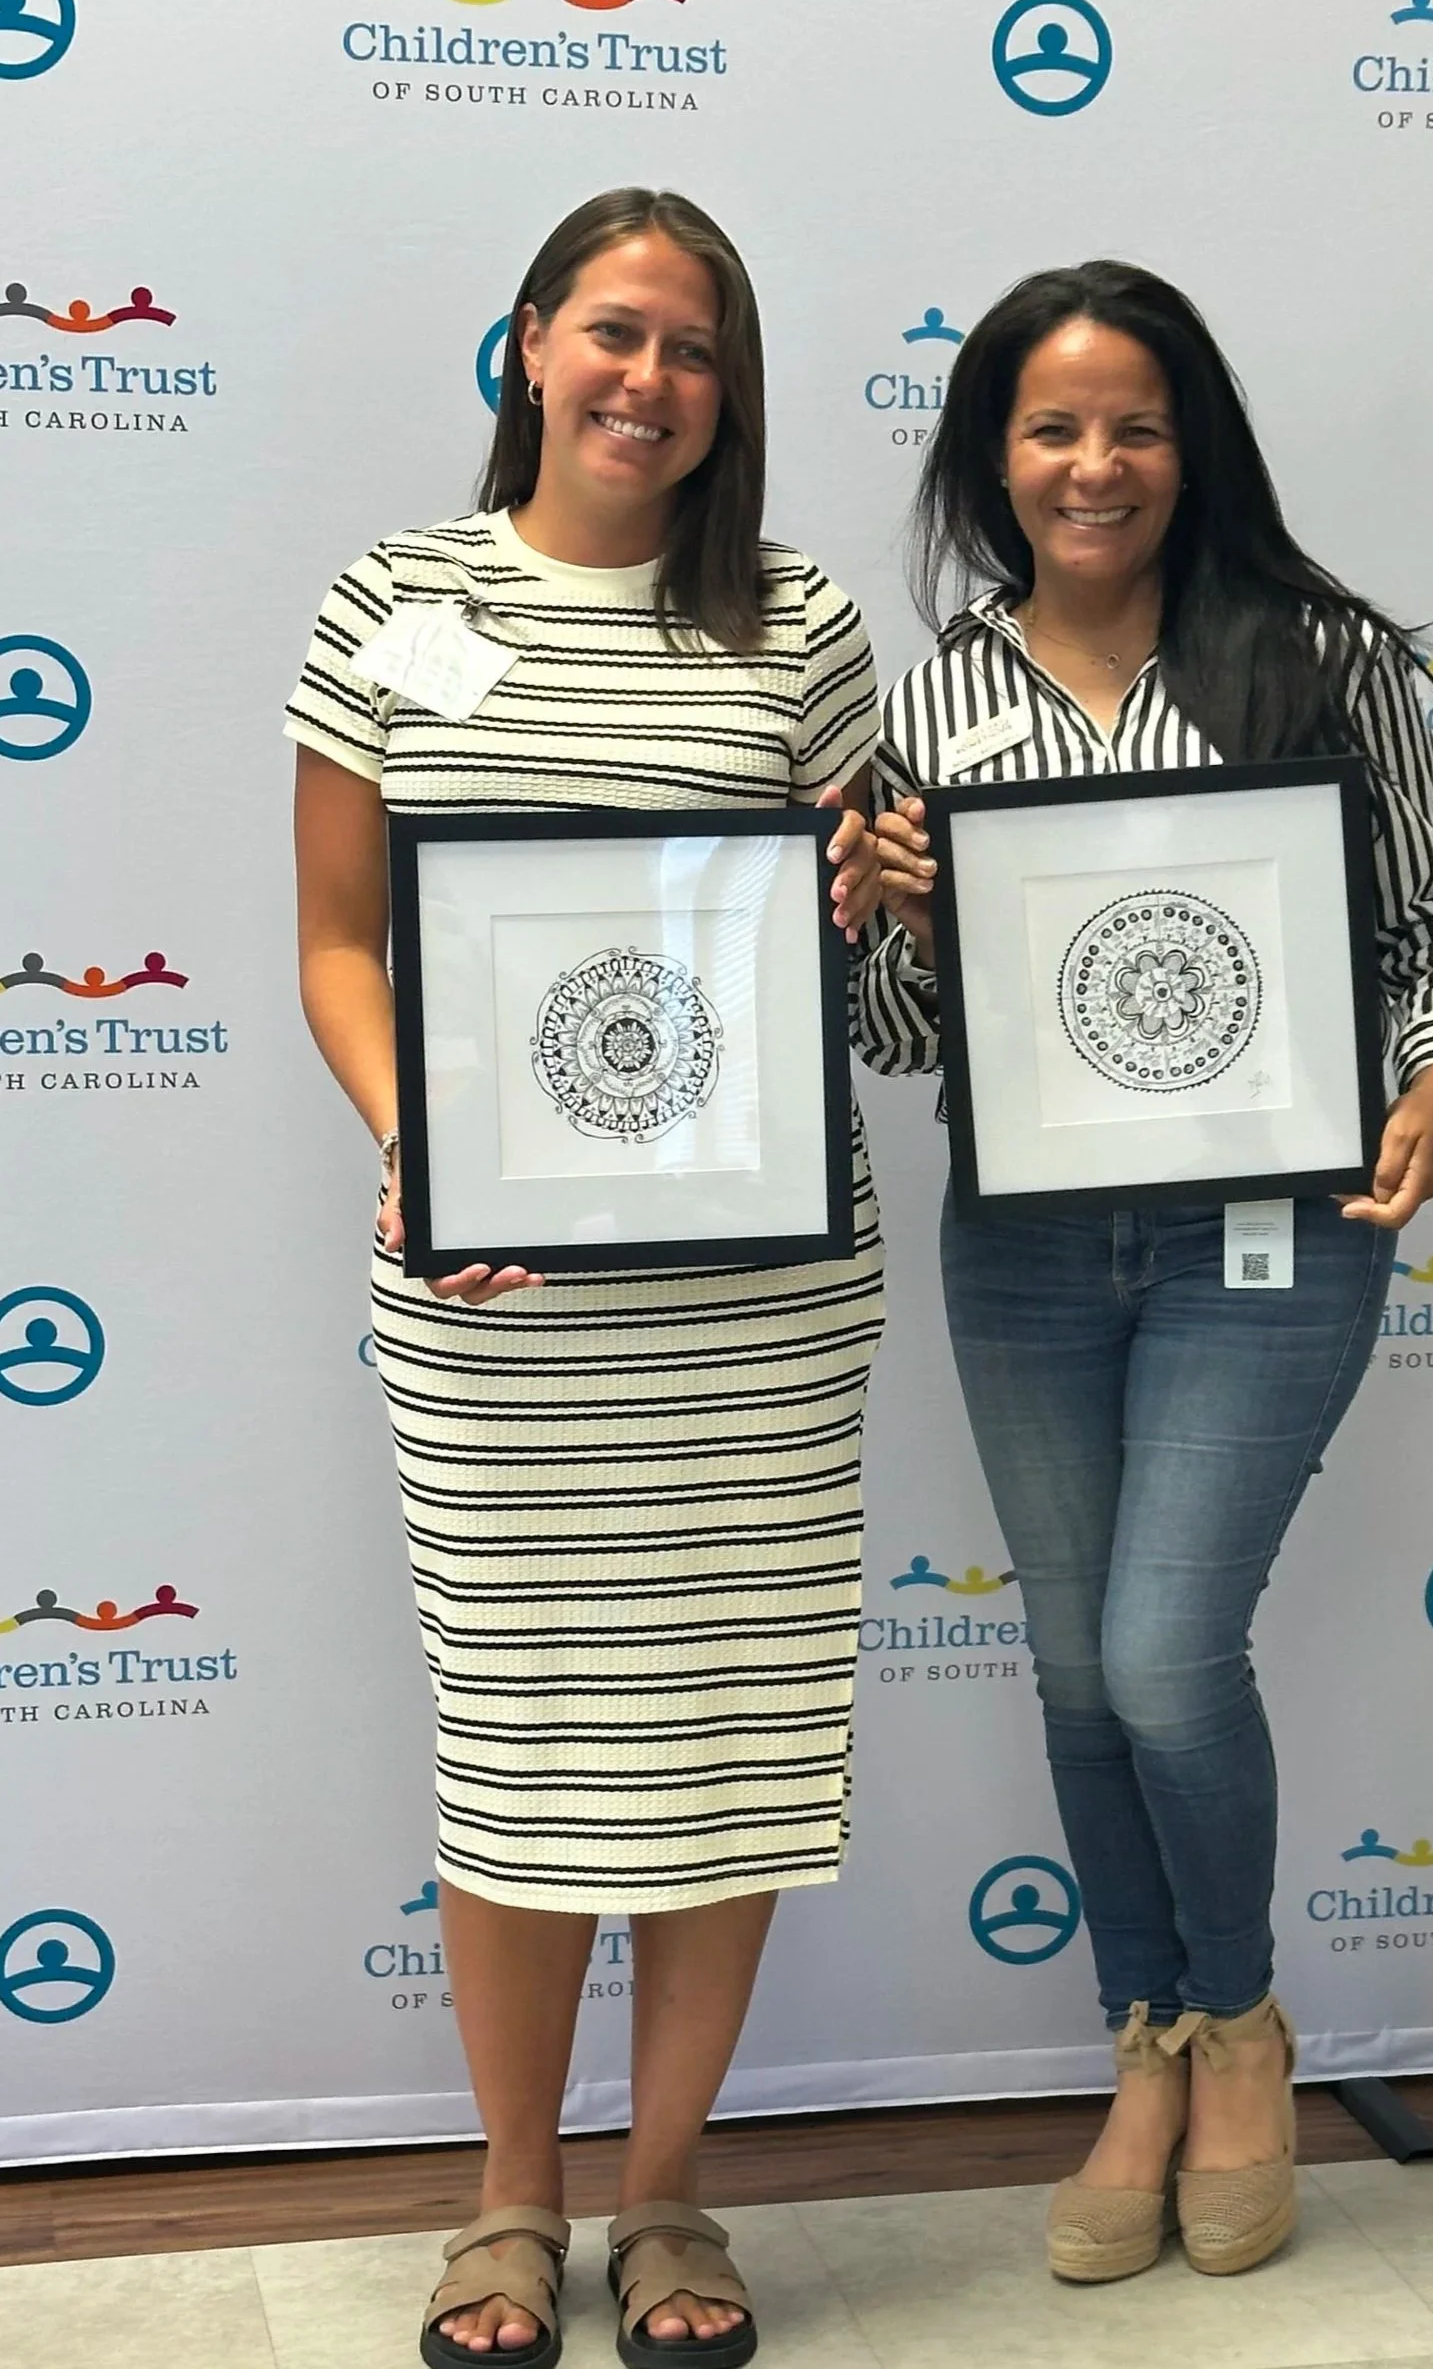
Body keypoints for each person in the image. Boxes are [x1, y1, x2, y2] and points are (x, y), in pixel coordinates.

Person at [858, 261, 1433, 2284]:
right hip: (1026, 1241)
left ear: (1188, 440)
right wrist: (882, 913)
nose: (1092, 462)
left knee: (1156, 1653)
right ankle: (1146, 2041)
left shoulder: (1317, 658)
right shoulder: (940, 691)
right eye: (1049, 427)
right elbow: (896, 1036)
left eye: (1130, 422)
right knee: (1071, 1673)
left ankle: (1240, 2018)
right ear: (994, 459)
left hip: (1273, 1230)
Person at [289, 188, 885, 2369]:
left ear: (731, 393)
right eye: (614, 333)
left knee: (718, 1748)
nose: (650, 381)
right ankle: (510, 2195)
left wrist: (879, 893)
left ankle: (665, 2196)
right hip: (498, 1298)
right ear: (530, 344)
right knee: (520, 1747)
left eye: (696, 350)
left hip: (753, 1306)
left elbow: (849, 983)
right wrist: (419, 1142)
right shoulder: (395, 602)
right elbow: (340, 941)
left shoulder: (801, 627)